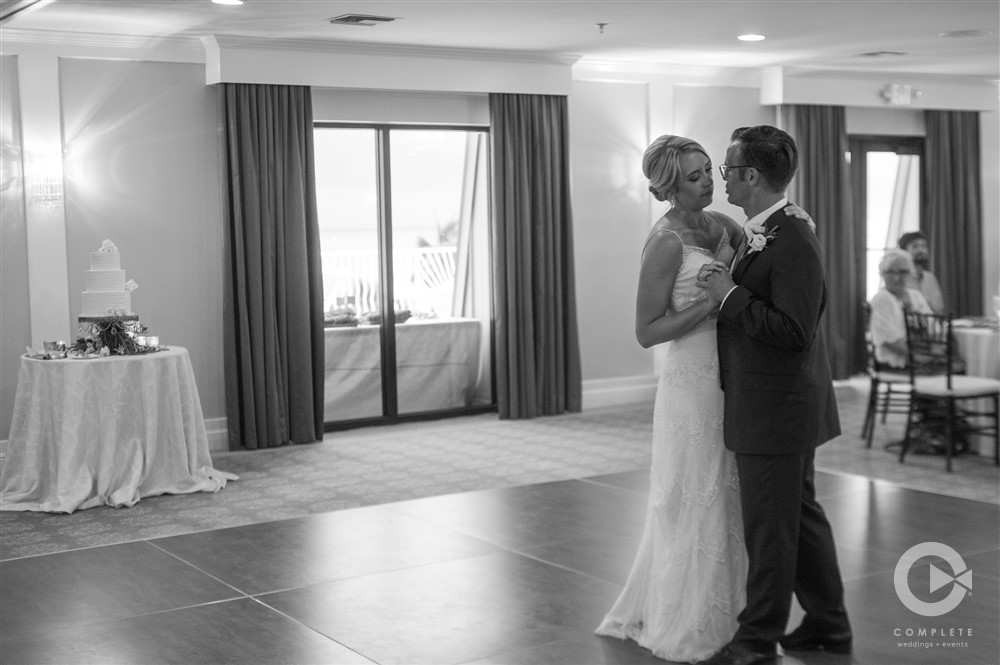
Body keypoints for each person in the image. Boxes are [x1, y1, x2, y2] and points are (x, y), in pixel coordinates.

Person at [594, 134, 811, 663]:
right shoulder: (665, 241)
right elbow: (646, 331)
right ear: (668, 186)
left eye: (709, 172)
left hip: (736, 376)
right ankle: (691, 616)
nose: (708, 183)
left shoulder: (725, 226)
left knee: (732, 496)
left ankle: (737, 612)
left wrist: (795, 220)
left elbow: (766, 262)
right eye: (694, 177)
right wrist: (710, 305)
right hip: (691, 382)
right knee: (694, 494)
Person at [696, 125, 851, 665]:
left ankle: (756, 642)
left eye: (727, 170)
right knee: (799, 521)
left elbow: (793, 331)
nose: (723, 181)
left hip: (777, 409)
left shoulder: (792, 239)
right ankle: (830, 626)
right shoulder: (768, 229)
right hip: (776, 403)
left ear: (750, 175)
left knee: (770, 532)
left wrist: (729, 295)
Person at [869, 248, 933, 369]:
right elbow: (886, 340)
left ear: (911, 274)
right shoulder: (882, 299)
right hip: (895, 364)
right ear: (882, 275)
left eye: (903, 272)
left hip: (923, 358)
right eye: (890, 272)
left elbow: (933, 326)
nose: (897, 278)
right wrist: (917, 355)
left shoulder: (916, 296)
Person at [898, 230, 946, 313]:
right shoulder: (899, 278)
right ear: (903, 252)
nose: (921, 250)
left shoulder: (930, 277)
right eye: (915, 246)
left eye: (924, 246)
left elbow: (939, 309)